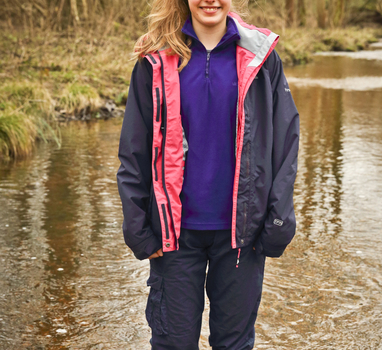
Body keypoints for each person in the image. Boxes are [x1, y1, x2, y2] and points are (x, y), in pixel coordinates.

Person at [116, 0, 300, 349]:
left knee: (234, 344)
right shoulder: (155, 60)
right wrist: (137, 227)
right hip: (173, 235)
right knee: (173, 343)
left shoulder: (261, 56)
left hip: (242, 235)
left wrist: (279, 220)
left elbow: (285, 144)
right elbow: (134, 149)